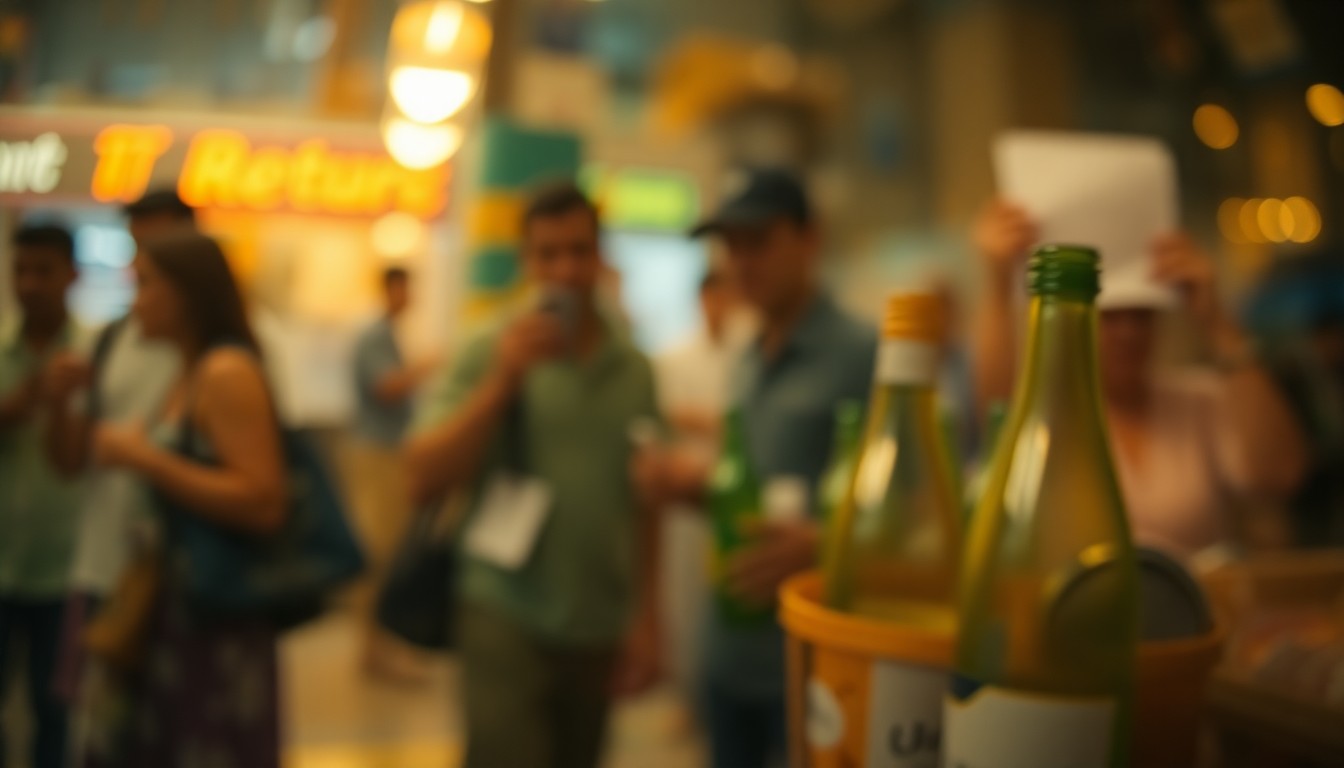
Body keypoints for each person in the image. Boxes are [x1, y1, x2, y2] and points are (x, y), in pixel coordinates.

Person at [404, 183, 662, 768]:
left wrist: (649, 620)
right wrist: (501, 383)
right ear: (526, 261)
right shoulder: (487, 348)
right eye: (548, 254)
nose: (566, 270)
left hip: (596, 615)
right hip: (503, 608)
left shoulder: (634, 368)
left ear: (600, 256)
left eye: (579, 251)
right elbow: (421, 475)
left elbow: (647, 499)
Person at [972, 200, 1307, 560]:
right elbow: (999, 410)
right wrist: (998, 282)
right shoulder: (1055, 418)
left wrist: (1219, 324)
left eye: (1142, 314)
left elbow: (1279, 472)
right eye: (1112, 316)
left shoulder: (1199, 400)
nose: (1129, 332)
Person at [682, 169, 877, 768]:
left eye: (758, 240)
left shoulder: (862, 353)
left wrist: (828, 542)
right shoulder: (745, 355)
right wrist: (689, 485)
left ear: (809, 238)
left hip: (811, 662)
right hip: (727, 655)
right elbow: (747, 485)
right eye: (731, 245)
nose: (742, 261)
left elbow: (915, 512)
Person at [83, 231, 287, 767]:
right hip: (177, 609)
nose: (137, 302)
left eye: (147, 285)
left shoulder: (225, 372)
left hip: (214, 613)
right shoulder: (189, 370)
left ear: (187, 294)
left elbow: (263, 499)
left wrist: (144, 459)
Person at [41, 190, 188, 761]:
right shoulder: (112, 339)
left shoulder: (231, 350)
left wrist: (146, 458)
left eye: (159, 253)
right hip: (105, 574)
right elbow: (71, 463)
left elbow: (261, 486)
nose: (141, 268)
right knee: (100, 740)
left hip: (187, 587)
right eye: (138, 252)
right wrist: (61, 402)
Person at [0, 224, 88, 768]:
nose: (29, 284)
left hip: (66, 566)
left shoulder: (91, 356)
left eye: (43, 271)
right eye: (20, 271)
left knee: (55, 711)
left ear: (71, 275)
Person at [652, 269, 746, 733]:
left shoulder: (747, 353)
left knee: (724, 591)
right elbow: (672, 418)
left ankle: (717, 696)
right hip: (690, 498)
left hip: (733, 497)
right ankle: (687, 696)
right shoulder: (678, 358)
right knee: (685, 594)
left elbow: (737, 424)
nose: (718, 306)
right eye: (710, 297)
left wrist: (713, 423)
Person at [346, 266, 436, 679]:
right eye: (406, 288)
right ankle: (374, 647)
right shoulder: (374, 336)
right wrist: (428, 367)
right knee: (380, 551)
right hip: (378, 453)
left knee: (391, 548)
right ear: (391, 289)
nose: (410, 296)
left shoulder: (386, 335)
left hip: (389, 451)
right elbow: (387, 388)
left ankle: (380, 644)